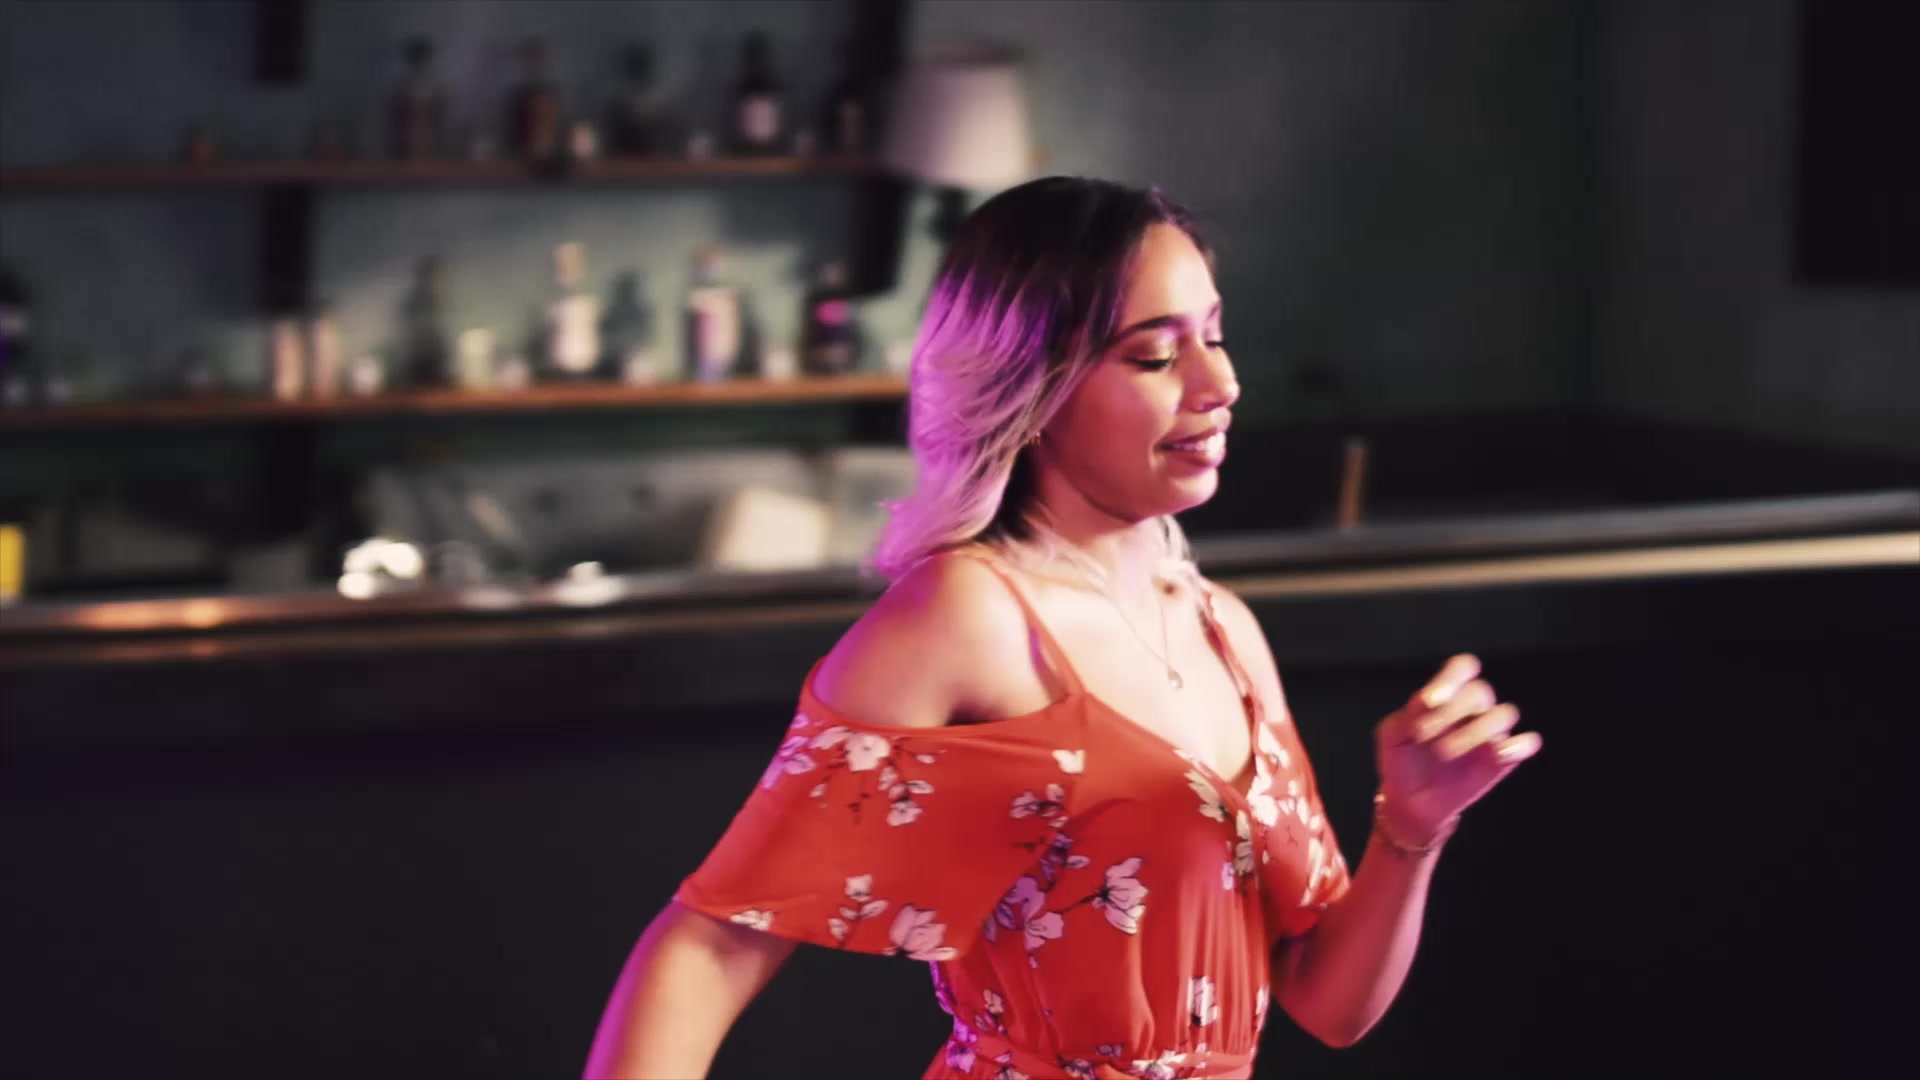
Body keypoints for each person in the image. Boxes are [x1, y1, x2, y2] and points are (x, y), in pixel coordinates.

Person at [584, 177, 1543, 1080]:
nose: (1220, 381)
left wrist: (1412, 828)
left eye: (1215, 335)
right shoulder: (968, 613)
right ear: (1034, 386)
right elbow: (709, 948)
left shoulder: (1225, 630)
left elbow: (1330, 1002)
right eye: (1156, 356)